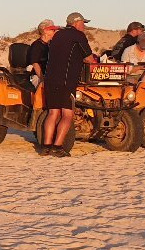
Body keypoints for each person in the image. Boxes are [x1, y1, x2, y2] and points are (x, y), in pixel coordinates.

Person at [40, 12, 95, 156]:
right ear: (76, 23)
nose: (84, 26)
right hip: (66, 80)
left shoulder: (57, 35)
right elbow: (89, 58)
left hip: (50, 79)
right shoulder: (78, 36)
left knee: (52, 113)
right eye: (83, 23)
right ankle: (57, 147)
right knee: (67, 115)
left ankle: (46, 146)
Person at [26, 19, 59, 86]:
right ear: (45, 31)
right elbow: (35, 63)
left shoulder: (51, 44)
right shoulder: (37, 45)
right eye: (52, 30)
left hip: (50, 77)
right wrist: (42, 79)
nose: (55, 31)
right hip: (38, 77)